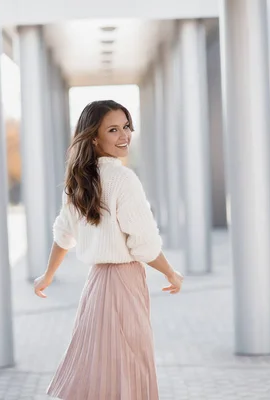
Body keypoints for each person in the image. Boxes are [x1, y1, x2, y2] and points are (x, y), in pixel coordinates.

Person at [34, 100, 183, 400]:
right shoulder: (122, 179)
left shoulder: (78, 181)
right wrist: (171, 273)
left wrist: (47, 276)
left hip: (96, 286)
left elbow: (64, 234)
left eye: (126, 127)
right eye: (113, 129)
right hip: (124, 284)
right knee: (129, 365)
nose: (124, 135)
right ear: (93, 137)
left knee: (100, 368)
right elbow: (143, 242)